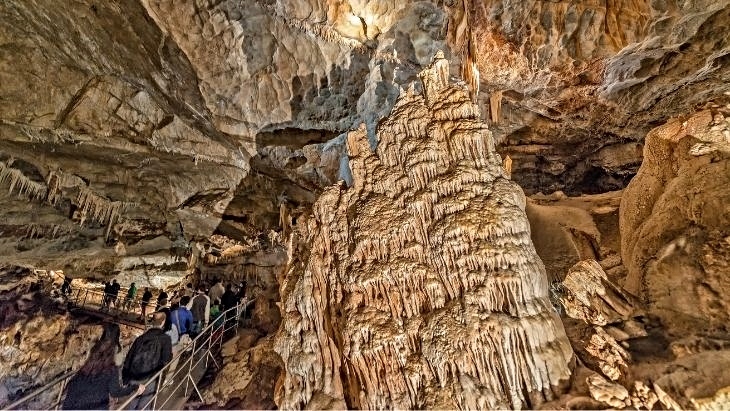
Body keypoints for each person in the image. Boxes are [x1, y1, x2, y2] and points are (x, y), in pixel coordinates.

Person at [62, 324, 145, 409]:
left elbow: (68, 401)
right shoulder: (112, 368)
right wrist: (134, 387)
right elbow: (116, 392)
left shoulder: (84, 370)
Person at [122, 312, 172, 410]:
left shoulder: (141, 338)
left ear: (153, 322)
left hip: (135, 376)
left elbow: (129, 357)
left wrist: (125, 377)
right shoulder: (165, 339)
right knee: (144, 405)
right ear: (163, 322)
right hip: (151, 378)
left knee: (132, 403)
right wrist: (161, 380)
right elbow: (165, 361)